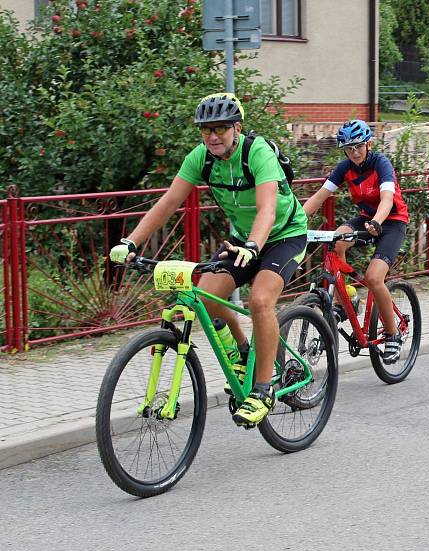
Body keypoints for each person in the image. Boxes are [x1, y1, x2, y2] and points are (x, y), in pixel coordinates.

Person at [109, 92, 308, 427]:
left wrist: (255, 246)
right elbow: (168, 202)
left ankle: (263, 390)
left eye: (220, 129)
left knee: (260, 300)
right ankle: (242, 351)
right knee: (205, 295)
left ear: (236, 127)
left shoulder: (256, 153)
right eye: (206, 130)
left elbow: (268, 209)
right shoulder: (200, 158)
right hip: (243, 240)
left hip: (283, 235)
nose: (213, 136)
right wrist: (131, 241)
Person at [302, 119, 408, 364]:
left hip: (391, 222)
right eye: (348, 149)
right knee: (336, 242)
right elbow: (320, 196)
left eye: (358, 146)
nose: (354, 152)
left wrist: (378, 222)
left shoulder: (381, 163)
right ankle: (347, 298)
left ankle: (392, 334)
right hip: (365, 219)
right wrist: (295, 222)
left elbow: (387, 199)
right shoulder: (344, 167)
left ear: (368, 144)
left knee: (373, 278)